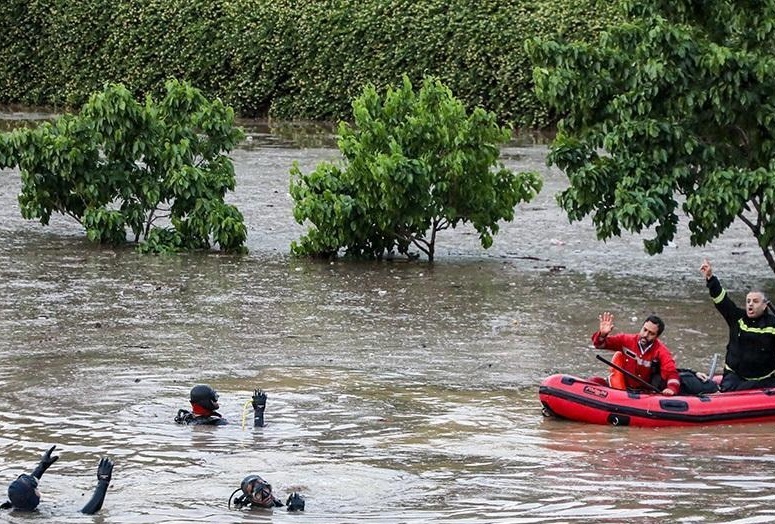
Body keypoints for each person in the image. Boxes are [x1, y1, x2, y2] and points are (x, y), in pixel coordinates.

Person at [699, 259, 775, 391]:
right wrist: (710, 278)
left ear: (764, 305)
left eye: (755, 301)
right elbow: (721, 300)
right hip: (735, 376)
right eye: (748, 301)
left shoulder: (772, 324)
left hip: (764, 379)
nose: (750, 304)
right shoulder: (737, 318)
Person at [1, 445, 113, 514]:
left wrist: (41, 467)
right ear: (31, 499)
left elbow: (24, 490)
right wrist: (103, 482)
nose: (38, 490)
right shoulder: (34, 519)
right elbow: (85, 513)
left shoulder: (13, 506)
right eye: (35, 488)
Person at [590, 311, 681, 395]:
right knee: (594, 381)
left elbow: (671, 373)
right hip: (622, 388)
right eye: (644, 330)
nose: (645, 335)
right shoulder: (626, 340)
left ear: (657, 336)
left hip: (645, 394)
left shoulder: (661, 351)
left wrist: (671, 389)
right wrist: (602, 334)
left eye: (651, 333)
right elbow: (599, 345)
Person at [175, 384, 268, 427]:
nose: (217, 400)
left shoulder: (186, 418)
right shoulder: (216, 423)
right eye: (214, 398)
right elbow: (256, 434)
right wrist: (259, 412)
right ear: (206, 402)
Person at [228, 474, 305, 512]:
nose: (266, 495)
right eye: (258, 495)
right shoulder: (250, 509)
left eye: (266, 489)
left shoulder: (277, 499)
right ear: (251, 499)